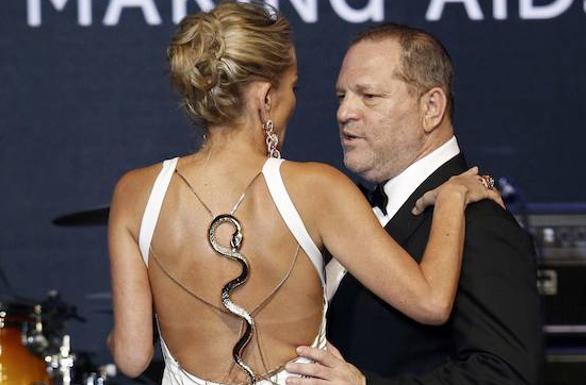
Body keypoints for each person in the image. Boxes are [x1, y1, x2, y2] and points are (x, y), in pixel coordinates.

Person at [106, 4, 502, 385]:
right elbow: (431, 302)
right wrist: (450, 198)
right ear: (265, 98)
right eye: (292, 87)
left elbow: (132, 356)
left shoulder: (135, 193)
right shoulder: (317, 189)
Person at [285, 24, 543, 385]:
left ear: (431, 107)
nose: (345, 113)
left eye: (369, 96)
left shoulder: (481, 225)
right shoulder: (348, 209)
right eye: (341, 97)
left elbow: (506, 375)